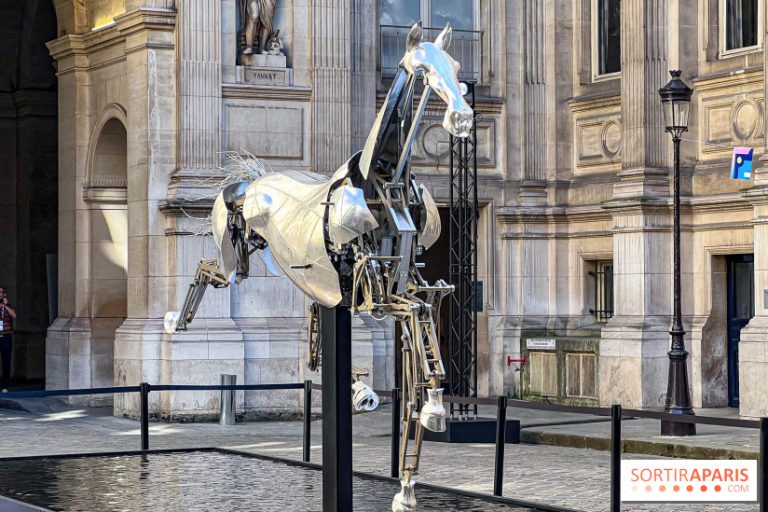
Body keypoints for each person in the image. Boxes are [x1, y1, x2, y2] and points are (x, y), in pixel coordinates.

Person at [0, 286, 16, 392]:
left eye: (2, 292)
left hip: (6, 336)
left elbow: (14, 315)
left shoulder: (8, 306)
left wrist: (5, 305)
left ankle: (5, 385)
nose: (0, 294)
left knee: (6, 361)